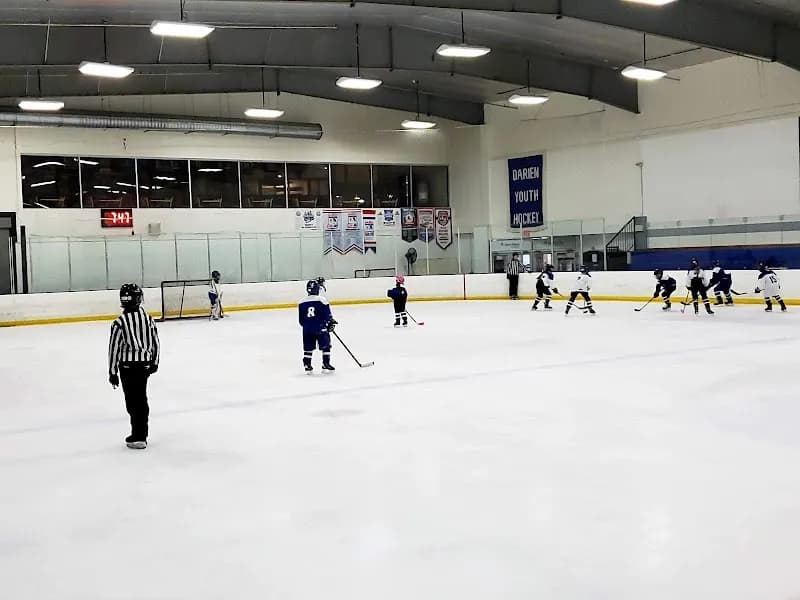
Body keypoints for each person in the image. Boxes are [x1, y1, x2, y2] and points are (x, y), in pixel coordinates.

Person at [108, 283, 160, 450]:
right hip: (143, 366)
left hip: (128, 368)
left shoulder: (119, 322)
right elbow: (155, 343)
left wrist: (112, 371)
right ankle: (141, 433)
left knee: (132, 401)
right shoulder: (148, 319)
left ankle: (138, 435)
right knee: (141, 399)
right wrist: (155, 362)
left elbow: (114, 348)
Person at [299, 279, 337, 373]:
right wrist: (330, 322)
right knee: (326, 345)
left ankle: (307, 364)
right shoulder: (322, 300)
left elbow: (301, 320)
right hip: (321, 328)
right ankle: (326, 363)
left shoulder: (301, 302)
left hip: (307, 329)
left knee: (308, 347)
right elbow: (327, 314)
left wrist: (308, 326)